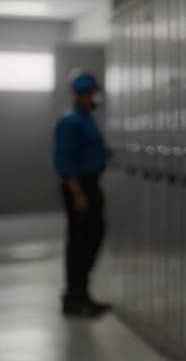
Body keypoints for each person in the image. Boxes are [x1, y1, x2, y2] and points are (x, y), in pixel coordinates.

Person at [52, 71, 111, 317]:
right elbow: (65, 162)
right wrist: (78, 195)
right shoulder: (71, 121)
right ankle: (73, 299)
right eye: (92, 93)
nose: (96, 98)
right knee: (80, 243)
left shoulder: (85, 119)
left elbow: (89, 150)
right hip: (80, 187)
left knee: (91, 239)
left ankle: (82, 295)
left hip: (91, 184)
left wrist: (107, 153)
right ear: (83, 95)